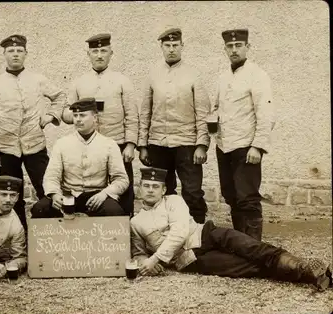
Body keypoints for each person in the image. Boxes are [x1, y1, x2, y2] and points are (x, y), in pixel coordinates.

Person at [130, 167, 332, 292]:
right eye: (146, 186)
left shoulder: (173, 200)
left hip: (206, 233)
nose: (150, 190)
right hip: (189, 257)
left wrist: (155, 258)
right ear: (139, 188)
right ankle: (311, 274)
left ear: (163, 190)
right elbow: (138, 252)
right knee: (248, 267)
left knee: (254, 248)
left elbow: (180, 231)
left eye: (155, 187)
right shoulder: (135, 222)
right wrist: (145, 264)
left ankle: (307, 266)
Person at [0, 34, 66, 231]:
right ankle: (19, 236)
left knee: (47, 189)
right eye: (11, 51)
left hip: (35, 145)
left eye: (19, 51)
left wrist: (50, 116)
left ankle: (51, 232)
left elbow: (60, 96)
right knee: (12, 194)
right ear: (4, 54)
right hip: (6, 148)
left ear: (26, 54)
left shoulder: (38, 79)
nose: (15, 55)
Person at [138, 27, 211, 224]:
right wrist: (143, 145)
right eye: (167, 45)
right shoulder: (153, 75)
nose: (171, 49)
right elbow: (145, 112)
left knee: (192, 191)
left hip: (187, 144)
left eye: (175, 45)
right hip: (158, 144)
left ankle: (198, 233)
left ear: (182, 46)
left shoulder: (193, 75)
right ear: (161, 47)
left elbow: (203, 113)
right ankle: (166, 230)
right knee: (163, 191)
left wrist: (201, 145)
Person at [61, 33, 139, 217]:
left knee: (123, 188)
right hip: (88, 145)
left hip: (118, 143)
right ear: (88, 54)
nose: (99, 55)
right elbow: (66, 113)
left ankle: (125, 229)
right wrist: (81, 115)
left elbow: (132, 115)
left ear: (111, 53)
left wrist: (130, 144)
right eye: (94, 51)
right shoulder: (78, 83)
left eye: (103, 51)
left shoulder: (122, 81)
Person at [213, 29, 276, 240]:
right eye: (230, 47)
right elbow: (217, 108)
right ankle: (242, 244)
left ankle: (254, 248)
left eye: (238, 46)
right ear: (224, 49)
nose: (234, 50)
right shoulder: (223, 77)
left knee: (247, 198)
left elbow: (266, 113)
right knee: (231, 196)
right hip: (224, 146)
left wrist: (257, 146)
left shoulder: (257, 75)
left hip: (246, 147)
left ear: (248, 47)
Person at [31, 97, 129, 218]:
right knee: (40, 209)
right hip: (67, 196)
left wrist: (104, 194)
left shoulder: (109, 145)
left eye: (82, 115)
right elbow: (51, 176)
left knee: (114, 212)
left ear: (94, 118)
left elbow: (122, 179)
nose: (77, 120)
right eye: (75, 115)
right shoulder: (62, 144)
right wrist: (55, 194)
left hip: (96, 197)